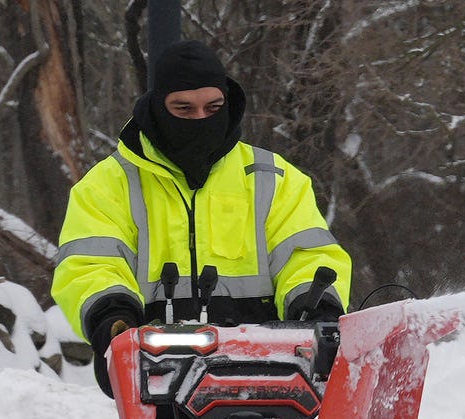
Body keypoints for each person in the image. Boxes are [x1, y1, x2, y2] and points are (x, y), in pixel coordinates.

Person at [51, 40, 351, 397]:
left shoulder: (271, 178)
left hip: (268, 372)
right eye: (184, 109)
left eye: (213, 108)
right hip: (156, 376)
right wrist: (112, 319)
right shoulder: (108, 185)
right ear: (157, 108)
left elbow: (308, 255)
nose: (201, 121)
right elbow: (91, 264)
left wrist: (315, 308)